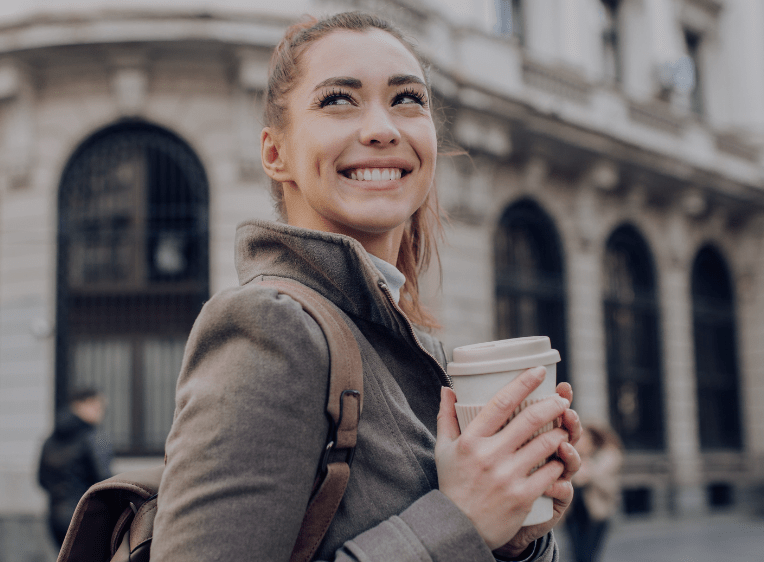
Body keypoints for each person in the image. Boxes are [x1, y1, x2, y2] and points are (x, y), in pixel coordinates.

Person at [150, 12, 582, 562]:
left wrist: (511, 534)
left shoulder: (411, 342)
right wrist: (460, 522)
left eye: (407, 99)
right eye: (338, 100)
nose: (384, 127)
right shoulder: (271, 324)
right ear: (275, 153)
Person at [37, 388, 113, 549]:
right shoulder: (92, 437)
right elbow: (105, 481)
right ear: (80, 405)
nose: (101, 414)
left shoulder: (50, 440)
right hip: (87, 517)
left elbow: (41, 480)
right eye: (97, 408)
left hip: (55, 519)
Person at [563, 425, 622, 562]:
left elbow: (611, 489)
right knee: (576, 555)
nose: (582, 441)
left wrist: (590, 473)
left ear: (593, 441)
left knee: (588, 556)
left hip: (595, 515)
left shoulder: (606, 457)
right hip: (573, 515)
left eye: (586, 438)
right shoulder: (573, 458)